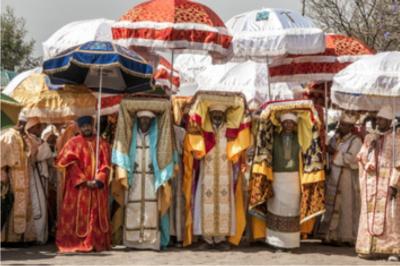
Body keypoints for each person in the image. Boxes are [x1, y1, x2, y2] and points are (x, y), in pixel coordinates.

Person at [249, 102, 325, 251]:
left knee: (292, 209)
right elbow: (262, 128)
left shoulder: (300, 138)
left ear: (295, 124)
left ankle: (291, 243)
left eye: (291, 122)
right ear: (282, 124)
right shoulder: (274, 138)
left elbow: (313, 132)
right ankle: (276, 242)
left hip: (294, 179)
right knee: (276, 208)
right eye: (286, 122)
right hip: (277, 178)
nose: (289, 125)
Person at [56, 116, 111, 253]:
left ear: (93, 126)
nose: (86, 128)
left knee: (95, 215)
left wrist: (99, 179)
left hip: (97, 187)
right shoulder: (72, 143)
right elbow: (68, 163)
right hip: (78, 188)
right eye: (84, 126)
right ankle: (76, 242)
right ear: (79, 128)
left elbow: (106, 164)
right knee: (77, 216)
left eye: (89, 126)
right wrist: (83, 180)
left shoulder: (102, 143)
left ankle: (95, 242)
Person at [356, 106, 400, 262]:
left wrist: (395, 184)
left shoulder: (397, 138)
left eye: (381, 120)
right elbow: (360, 156)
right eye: (378, 119)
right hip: (372, 184)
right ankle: (369, 247)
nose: (378, 122)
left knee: (391, 217)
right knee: (370, 214)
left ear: (389, 121)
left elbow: (399, 163)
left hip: (389, 184)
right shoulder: (370, 138)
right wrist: (369, 154)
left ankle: (393, 250)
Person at [318, 113, 362, 245]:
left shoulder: (356, 141)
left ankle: (344, 237)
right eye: (340, 124)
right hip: (333, 176)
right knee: (331, 205)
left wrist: (334, 152)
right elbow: (328, 153)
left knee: (345, 207)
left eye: (344, 125)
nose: (340, 127)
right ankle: (329, 235)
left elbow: (351, 158)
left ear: (351, 127)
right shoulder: (335, 138)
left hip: (346, 177)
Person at [1, 116, 37, 243]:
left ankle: (22, 237)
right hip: (12, 176)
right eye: (20, 123)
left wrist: (28, 140)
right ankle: (8, 238)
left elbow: (32, 154)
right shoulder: (8, 136)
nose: (22, 126)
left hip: (25, 175)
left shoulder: (25, 137)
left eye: (24, 123)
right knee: (11, 204)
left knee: (25, 205)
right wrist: (3, 175)